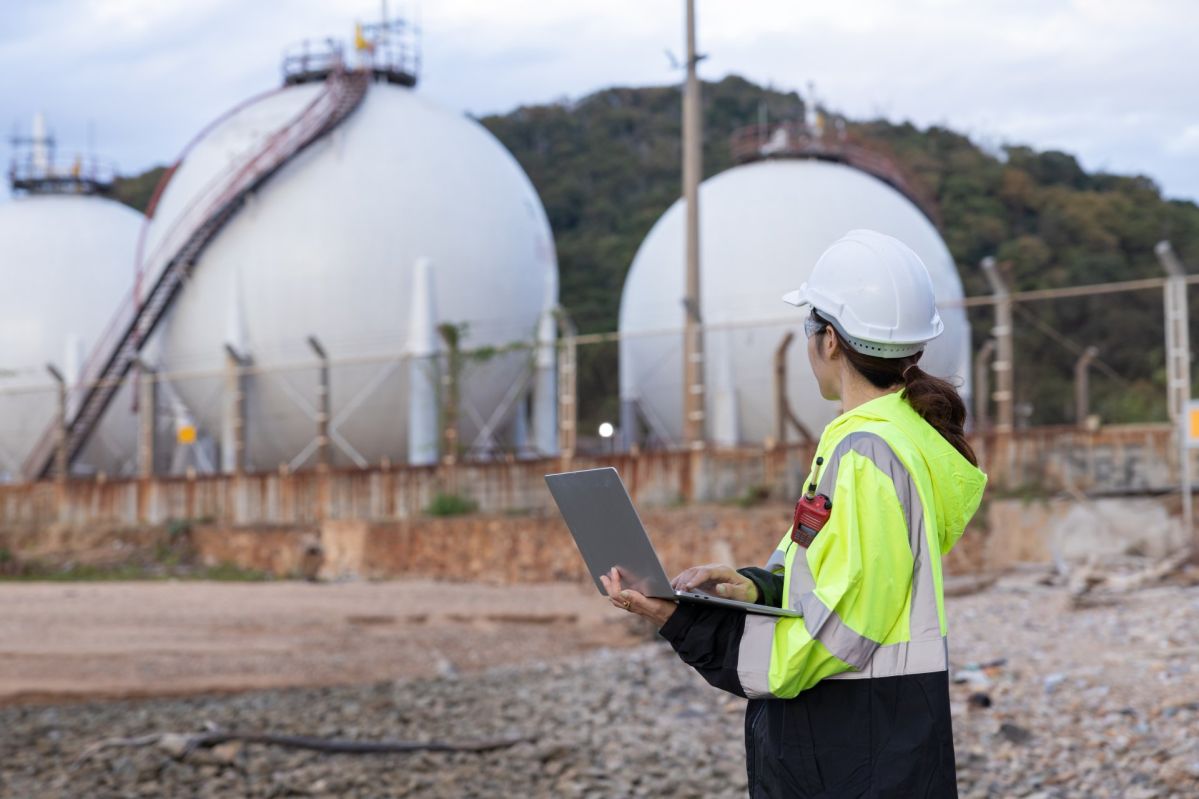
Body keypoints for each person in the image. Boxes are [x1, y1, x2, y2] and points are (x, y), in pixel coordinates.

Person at [601, 229, 987, 798]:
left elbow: (838, 632)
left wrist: (680, 623)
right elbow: (834, 578)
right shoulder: (901, 440)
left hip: (852, 755)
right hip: (880, 745)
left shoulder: (867, 453)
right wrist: (753, 588)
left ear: (829, 339)